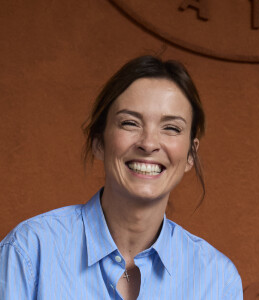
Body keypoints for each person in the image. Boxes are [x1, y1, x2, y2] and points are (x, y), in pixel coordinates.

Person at [0, 56, 243, 299]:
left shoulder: (217, 279)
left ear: (191, 154)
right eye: (130, 123)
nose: (148, 144)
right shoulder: (29, 251)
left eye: (171, 128)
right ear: (98, 143)